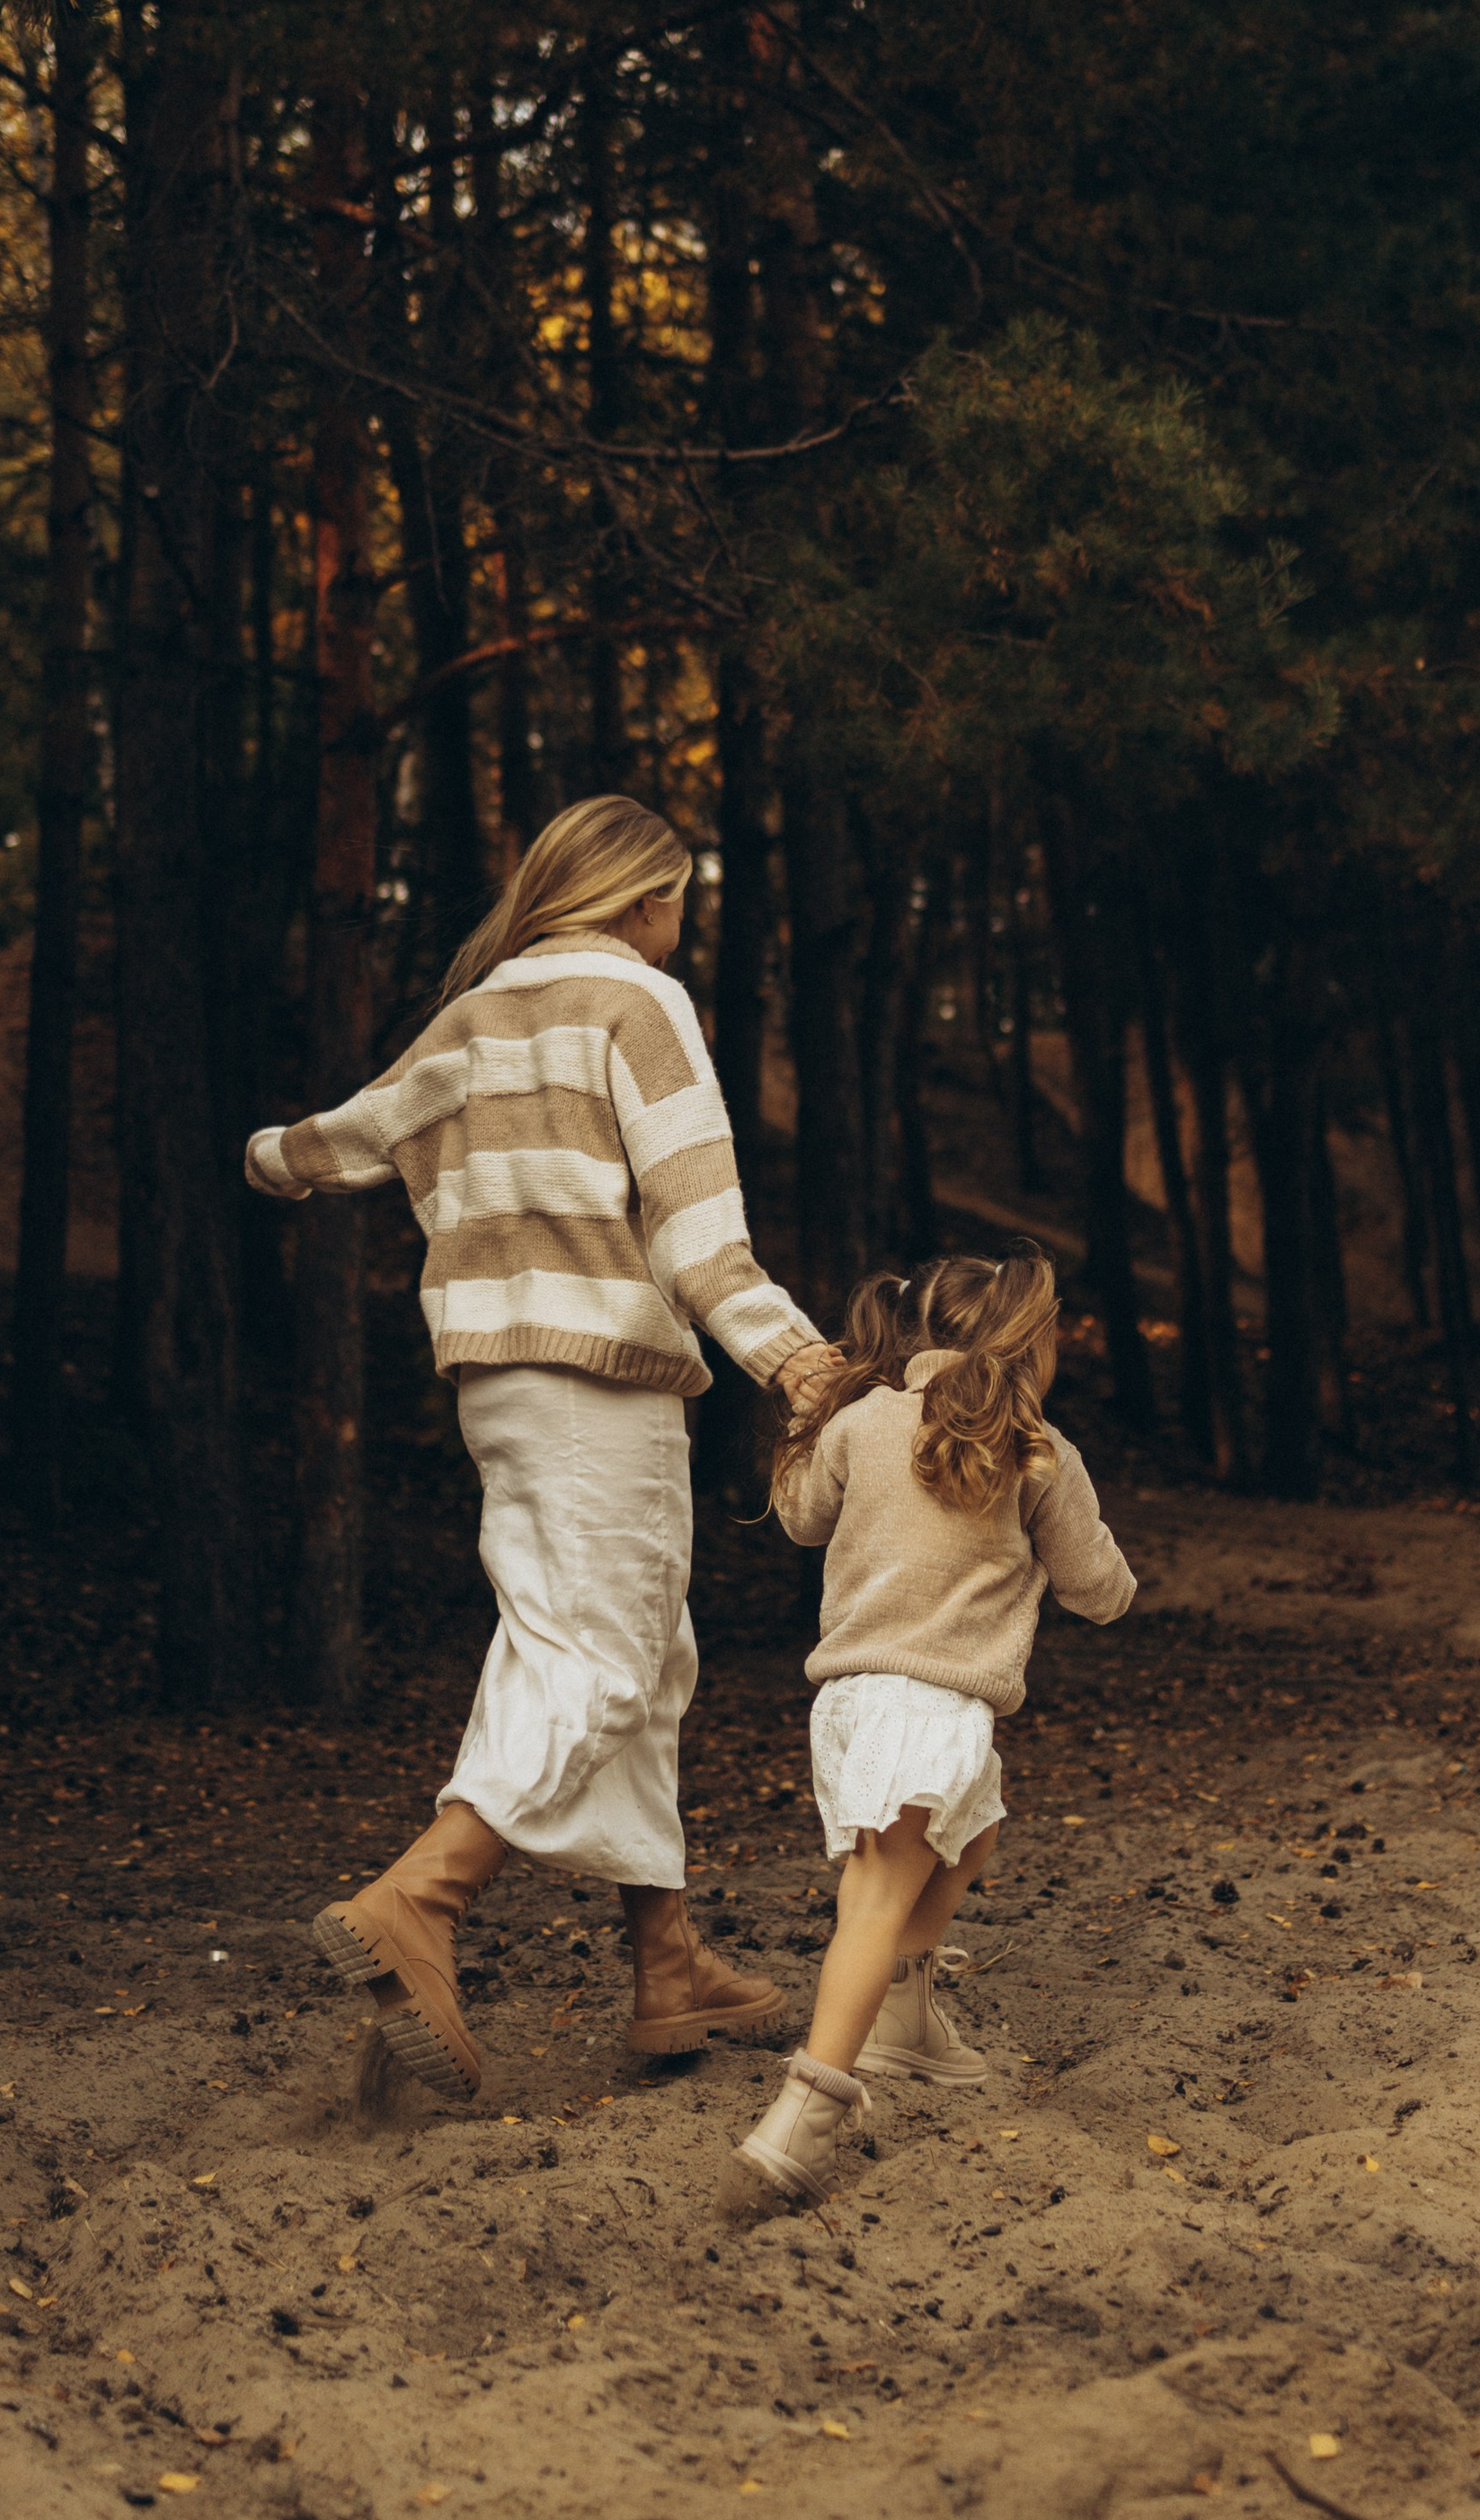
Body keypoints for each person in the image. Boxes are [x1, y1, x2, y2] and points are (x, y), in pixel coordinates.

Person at [245, 793, 833, 2100]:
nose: (681, 923)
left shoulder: (477, 1013)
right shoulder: (638, 1004)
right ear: (645, 898)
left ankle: (667, 1959)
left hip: (497, 1385)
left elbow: (346, 1137)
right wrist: (800, 1361)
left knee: (638, 1650)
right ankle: (425, 1897)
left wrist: (267, 1159)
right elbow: (697, 1236)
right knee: (601, 1652)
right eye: (679, 899)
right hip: (600, 1385)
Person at [723, 1248, 1136, 2213]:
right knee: (874, 1901)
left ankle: (903, 2013)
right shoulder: (1038, 1449)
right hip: (932, 1708)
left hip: (851, 1706)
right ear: (1029, 1346)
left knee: (976, 1825)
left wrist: (804, 1421)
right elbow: (1097, 1590)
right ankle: (803, 2114)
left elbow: (799, 1520)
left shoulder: (862, 1424)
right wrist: (1108, 1565)